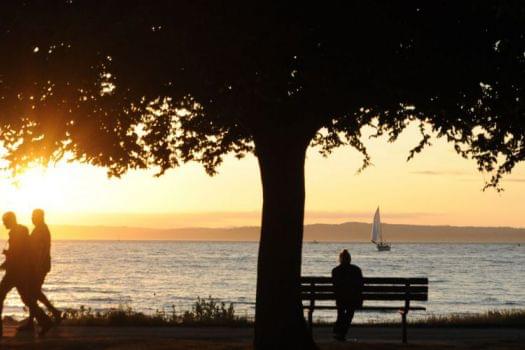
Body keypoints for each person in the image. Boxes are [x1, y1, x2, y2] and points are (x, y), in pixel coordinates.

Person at [0, 212, 53, 337]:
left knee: (2, 295)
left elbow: (18, 253)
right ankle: (45, 321)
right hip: (19, 272)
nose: (3, 223)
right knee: (27, 299)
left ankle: (45, 321)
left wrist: (7, 258)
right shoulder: (21, 230)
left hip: (15, 272)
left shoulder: (18, 232)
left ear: (11, 220)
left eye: (5, 221)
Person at [18, 209, 61, 330]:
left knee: (33, 293)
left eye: (33, 216)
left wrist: (37, 267)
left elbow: (41, 250)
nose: (32, 218)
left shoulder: (41, 230)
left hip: (39, 267)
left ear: (39, 217)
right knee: (35, 293)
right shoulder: (39, 229)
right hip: (37, 266)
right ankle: (51, 314)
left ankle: (35, 321)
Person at [331, 249, 363, 341]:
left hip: (340, 299)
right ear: (350, 259)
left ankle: (338, 332)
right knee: (349, 313)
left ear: (340, 259)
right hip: (353, 299)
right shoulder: (356, 270)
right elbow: (360, 285)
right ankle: (341, 333)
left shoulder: (335, 271)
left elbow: (335, 286)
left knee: (340, 313)